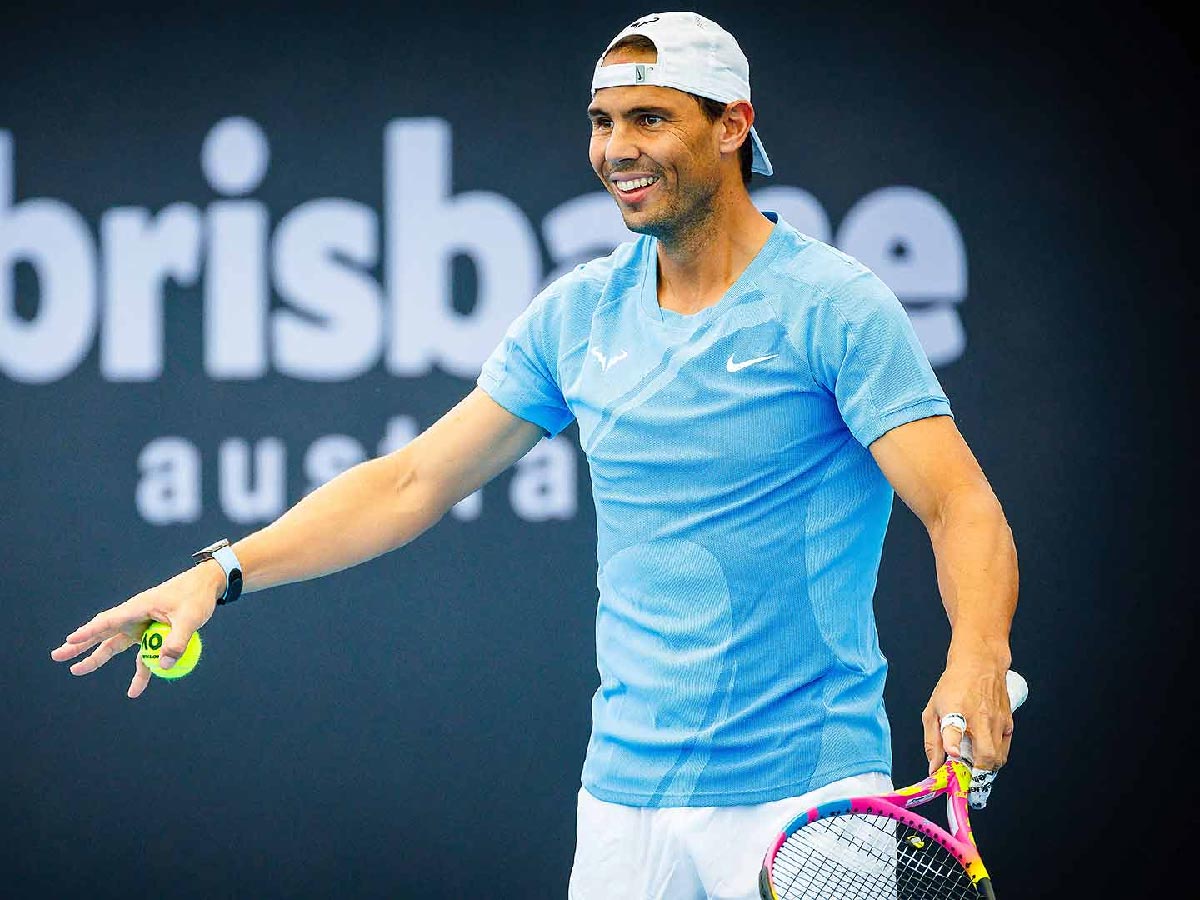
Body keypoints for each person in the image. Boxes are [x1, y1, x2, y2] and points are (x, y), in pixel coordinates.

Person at [51, 11, 1018, 899]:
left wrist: (977, 653)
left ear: (732, 127)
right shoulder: (578, 314)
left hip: (807, 798)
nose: (617, 150)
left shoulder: (834, 307)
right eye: (602, 122)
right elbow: (411, 480)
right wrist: (220, 573)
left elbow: (959, 506)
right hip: (624, 804)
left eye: (649, 118)